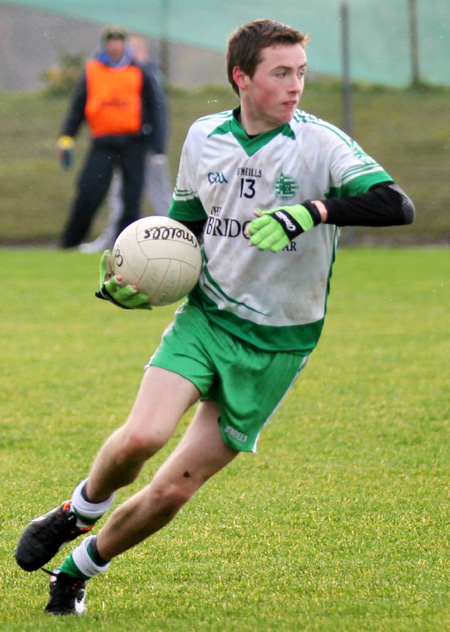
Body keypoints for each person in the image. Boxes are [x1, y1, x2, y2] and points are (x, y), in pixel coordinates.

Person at [15, 19, 415, 616]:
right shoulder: (205, 138)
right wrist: (136, 283)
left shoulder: (320, 143)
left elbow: (396, 204)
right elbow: (182, 230)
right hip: (208, 317)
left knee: (172, 492)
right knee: (144, 436)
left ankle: (75, 571)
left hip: (278, 345)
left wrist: (312, 211)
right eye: (281, 73)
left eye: (300, 72)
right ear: (241, 78)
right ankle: (78, 510)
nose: (295, 86)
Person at [58, 25, 162, 249]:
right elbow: (78, 106)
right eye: (111, 41)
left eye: (119, 41)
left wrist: (158, 145)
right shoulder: (93, 70)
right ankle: (69, 244)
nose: (115, 46)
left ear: (124, 44)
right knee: (89, 191)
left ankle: (125, 247)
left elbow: (155, 107)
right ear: (105, 44)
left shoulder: (138, 70)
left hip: (134, 142)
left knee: (131, 199)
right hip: (103, 142)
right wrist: (67, 136)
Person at [79, 34, 172, 253]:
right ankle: (113, 240)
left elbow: (158, 111)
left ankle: (183, 234)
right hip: (128, 146)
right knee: (119, 195)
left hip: (146, 147)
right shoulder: (120, 72)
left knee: (160, 194)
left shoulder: (147, 73)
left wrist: (158, 147)